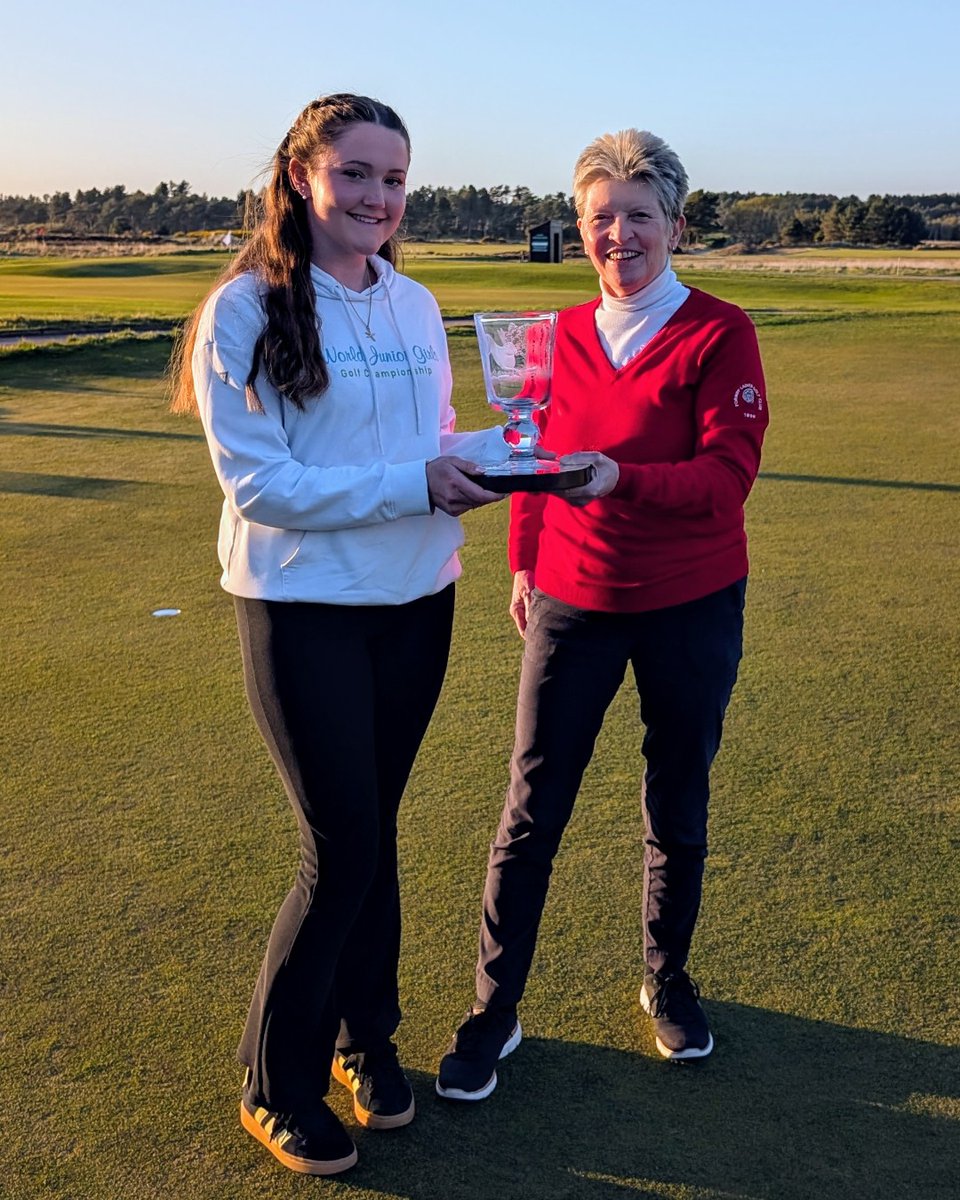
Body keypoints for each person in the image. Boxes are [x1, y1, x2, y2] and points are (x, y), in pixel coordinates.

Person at [171, 93, 505, 1175]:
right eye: (357, 173)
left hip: (418, 601)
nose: (378, 197)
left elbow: (426, 444)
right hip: (304, 605)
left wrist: (520, 456)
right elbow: (265, 485)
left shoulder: (413, 301)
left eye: (395, 179)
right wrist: (419, 479)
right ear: (304, 174)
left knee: (375, 830)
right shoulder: (247, 306)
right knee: (342, 844)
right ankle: (276, 1080)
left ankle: (368, 1042)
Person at [436, 128, 769, 1101]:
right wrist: (524, 562)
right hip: (572, 601)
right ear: (579, 227)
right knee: (530, 812)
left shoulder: (720, 332)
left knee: (677, 799)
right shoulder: (555, 338)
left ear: (674, 222)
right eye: (599, 219)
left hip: (691, 603)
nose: (617, 236)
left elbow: (725, 482)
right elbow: (535, 461)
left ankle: (667, 981)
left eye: (636, 217)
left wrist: (621, 478)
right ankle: (493, 1011)